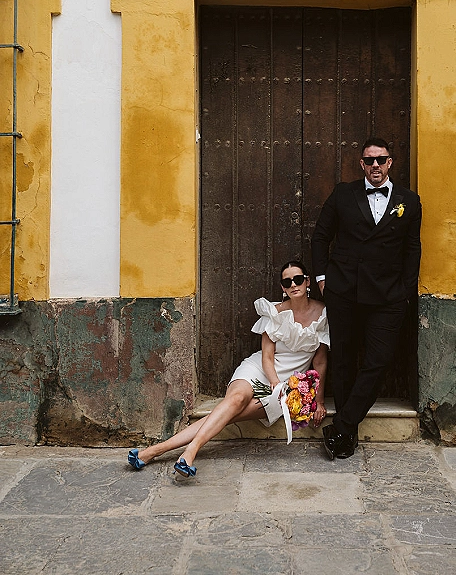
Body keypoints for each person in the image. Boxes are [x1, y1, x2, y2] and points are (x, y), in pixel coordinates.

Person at [127, 261, 328, 478]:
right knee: (235, 401)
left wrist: (319, 401)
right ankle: (189, 452)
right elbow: (267, 358)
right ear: (283, 287)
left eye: (298, 279)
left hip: (287, 388)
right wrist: (273, 382)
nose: (293, 285)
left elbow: (320, 363)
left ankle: (154, 451)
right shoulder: (274, 312)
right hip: (261, 371)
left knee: (226, 414)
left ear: (307, 281)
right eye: (287, 282)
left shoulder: (323, 313)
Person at [311, 136, 421, 460]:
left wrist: (405, 291)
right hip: (344, 291)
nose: (375, 165)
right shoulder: (343, 194)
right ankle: (348, 438)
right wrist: (322, 280)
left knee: (378, 361)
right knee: (343, 362)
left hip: (387, 297)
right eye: (369, 160)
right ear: (362, 164)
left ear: (390, 163)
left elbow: (412, 249)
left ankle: (342, 424)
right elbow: (321, 237)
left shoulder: (409, 201)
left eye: (381, 159)